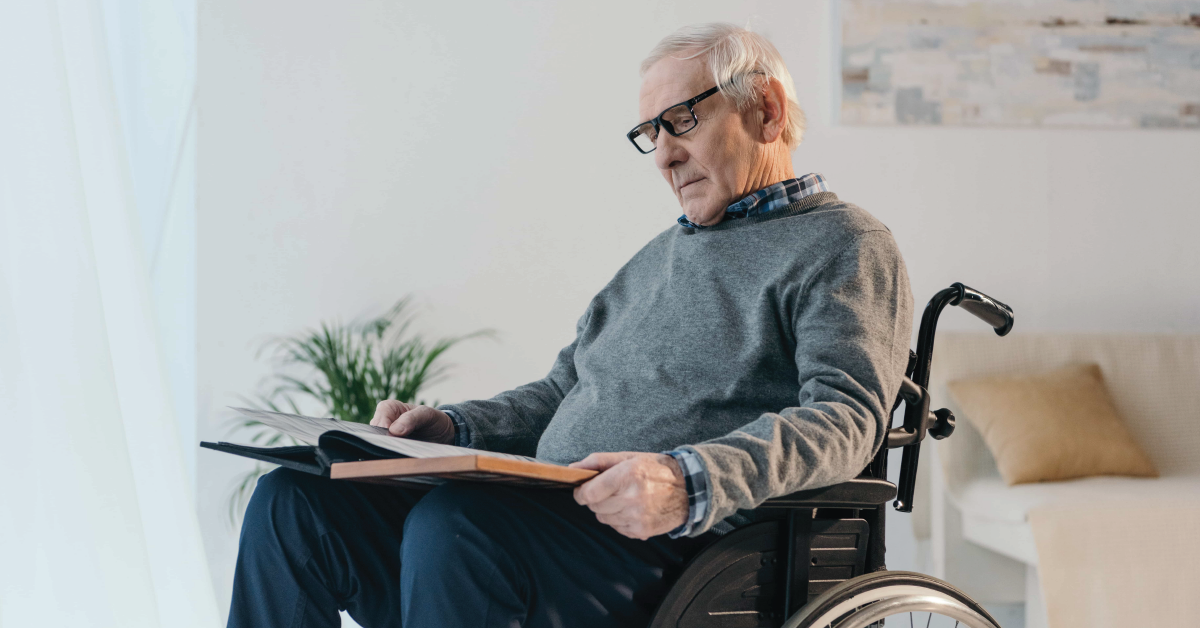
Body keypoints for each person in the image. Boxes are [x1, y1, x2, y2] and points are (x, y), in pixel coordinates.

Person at [227, 22, 914, 628]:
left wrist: (686, 480)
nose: (665, 155)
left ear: (764, 108)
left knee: (457, 527)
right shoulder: (651, 262)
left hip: (682, 554)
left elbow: (845, 418)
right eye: (651, 134)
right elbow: (563, 390)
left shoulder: (845, 245)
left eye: (682, 120)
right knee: (293, 503)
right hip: (541, 526)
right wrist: (453, 428)